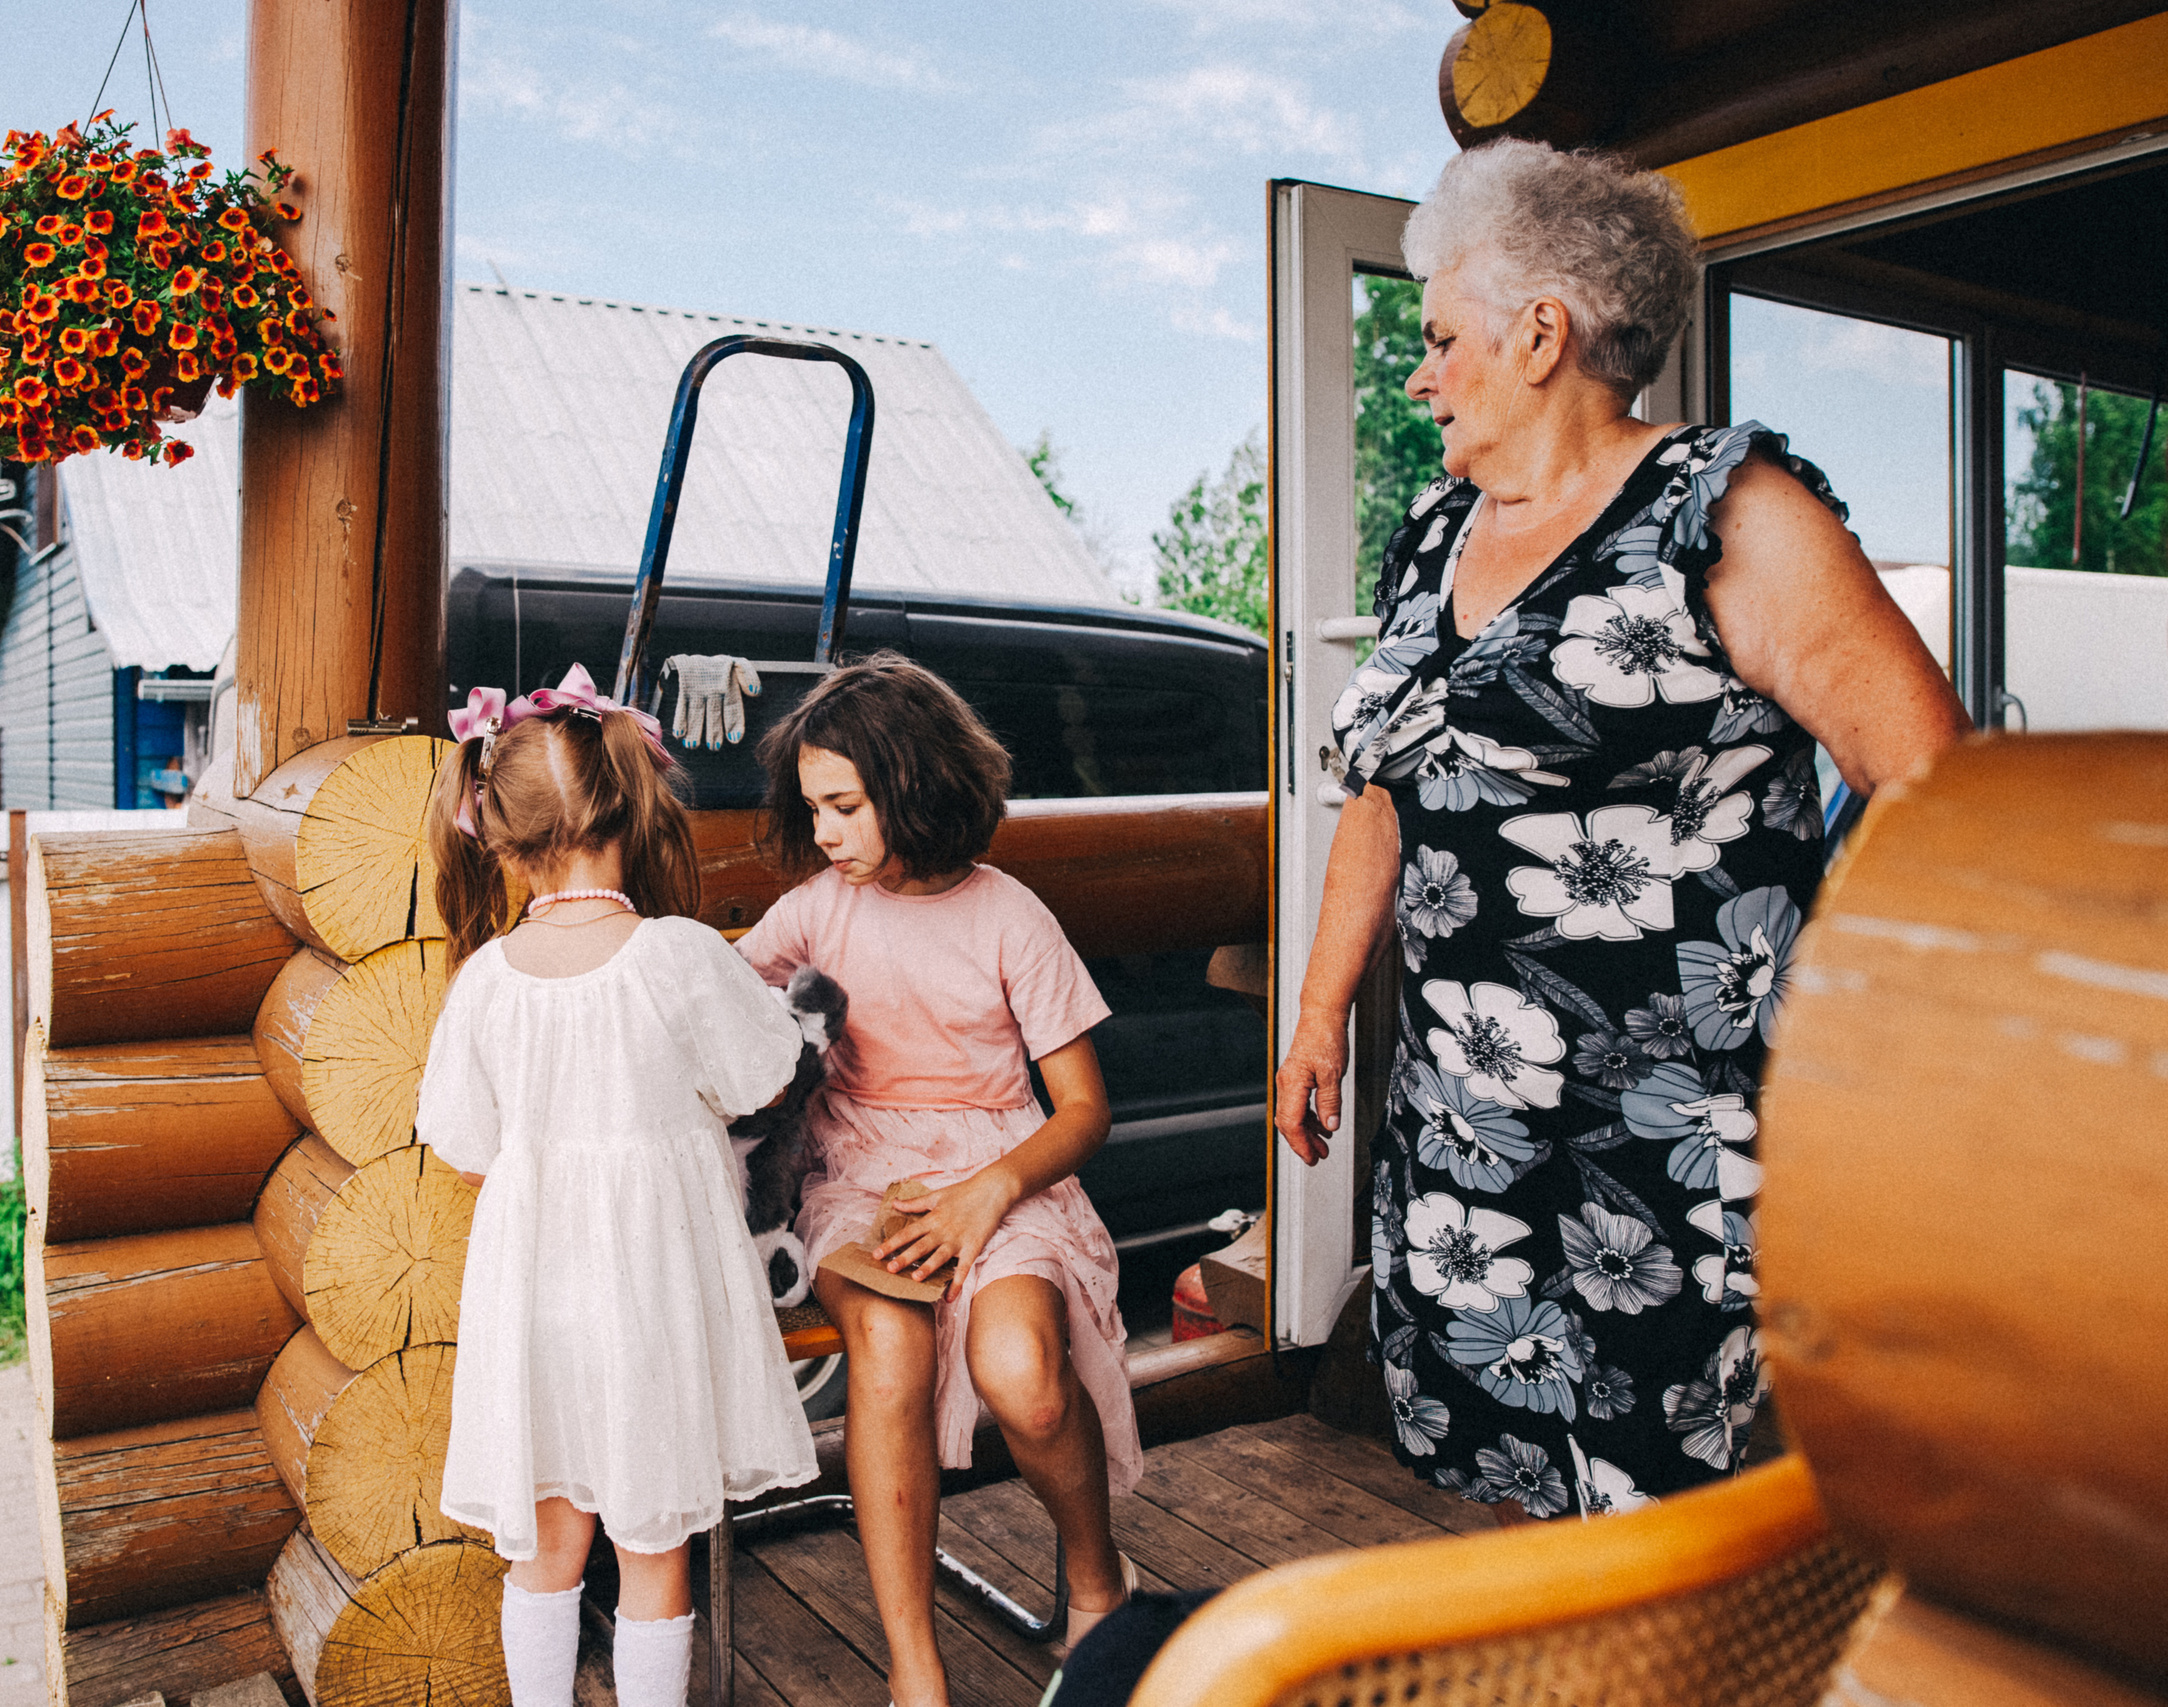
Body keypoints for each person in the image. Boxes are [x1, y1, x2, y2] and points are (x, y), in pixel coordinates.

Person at [1275, 141, 1969, 1521]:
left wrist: (1875, 1045)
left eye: (1440, 338)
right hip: (1470, 1128)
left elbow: (1934, 781)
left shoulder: (1728, 515)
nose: (1419, 373)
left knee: (1666, 1497)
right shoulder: (1435, 537)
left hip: (1667, 1140)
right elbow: (1384, 790)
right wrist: (1317, 1017)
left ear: (1542, 335)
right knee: (1500, 1466)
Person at [740, 654, 1139, 1707]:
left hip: (999, 1173)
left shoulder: (1011, 917)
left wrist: (983, 1195)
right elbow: (722, 1005)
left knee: (1022, 1374)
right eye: (812, 808)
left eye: (843, 806)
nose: (823, 832)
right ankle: (915, 1667)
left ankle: (1098, 1580)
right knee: (888, 1344)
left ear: (913, 786)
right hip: (858, 1173)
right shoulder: (817, 909)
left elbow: (1085, 1112)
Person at [418, 663, 819, 1707]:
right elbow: (765, 1077)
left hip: (536, 1306)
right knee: (653, 1551)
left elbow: (465, 1146)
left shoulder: (484, 983)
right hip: (653, 1305)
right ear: (626, 808)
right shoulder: (678, 958)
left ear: (497, 838)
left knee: (546, 1548)